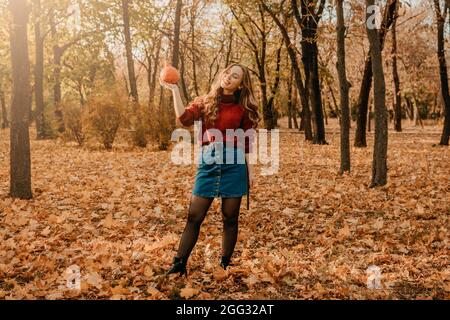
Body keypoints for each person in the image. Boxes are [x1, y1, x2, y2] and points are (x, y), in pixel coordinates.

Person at [160, 63, 260, 277]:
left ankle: (225, 264)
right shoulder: (206, 101)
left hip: (235, 165)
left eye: (235, 76)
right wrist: (175, 91)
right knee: (194, 215)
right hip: (209, 162)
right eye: (227, 73)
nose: (229, 77)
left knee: (230, 217)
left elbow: (248, 142)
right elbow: (184, 118)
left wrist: (250, 171)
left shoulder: (244, 108)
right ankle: (179, 264)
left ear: (241, 83)